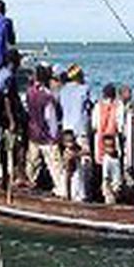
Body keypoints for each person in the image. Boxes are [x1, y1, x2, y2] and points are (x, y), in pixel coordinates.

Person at [26, 64, 65, 197]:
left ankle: (30, 183)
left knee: (33, 162)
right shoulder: (47, 96)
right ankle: (61, 190)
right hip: (46, 136)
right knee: (55, 165)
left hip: (33, 133)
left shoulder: (30, 91)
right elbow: (51, 119)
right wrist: (55, 137)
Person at [59, 64, 92, 201]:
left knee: (67, 165)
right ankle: (81, 194)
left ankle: (66, 192)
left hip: (67, 129)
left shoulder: (63, 90)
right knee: (83, 163)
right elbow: (89, 106)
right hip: (80, 129)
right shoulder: (85, 89)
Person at [0, 49, 26, 185]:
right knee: (15, 146)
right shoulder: (9, 76)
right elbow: (7, 98)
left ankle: (7, 175)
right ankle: (15, 176)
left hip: (3, 116)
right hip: (9, 117)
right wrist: (12, 120)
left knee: (8, 146)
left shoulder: (1, 73)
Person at [91, 83, 119, 167]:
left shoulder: (97, 106)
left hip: (100, 138)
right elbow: (120, 125)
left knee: (100, 162)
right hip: (113, 139)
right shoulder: (118, 106)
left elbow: (94, 125)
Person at [101, 135, 123, 205]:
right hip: (111, 190)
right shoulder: (107, 160)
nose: (111, 149)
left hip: (118, 188)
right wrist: (110, 191)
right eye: (108, 147)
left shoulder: (117, 157)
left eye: (112, 146)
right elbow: (106, 178)